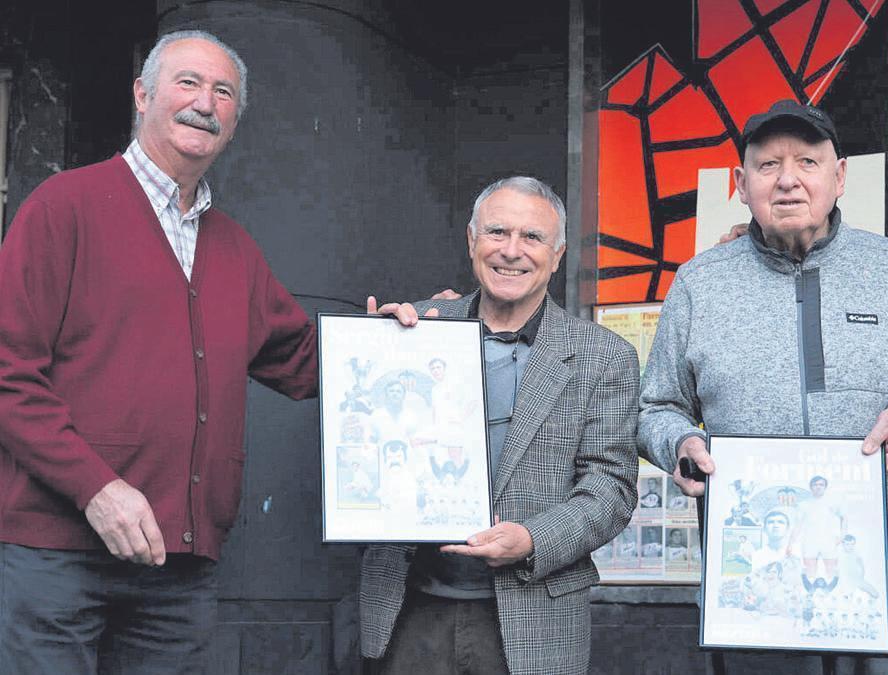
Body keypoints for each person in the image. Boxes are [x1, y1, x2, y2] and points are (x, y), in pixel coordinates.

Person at [0, 30, 318, 673]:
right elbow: (7, 371)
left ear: (235, 120)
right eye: (188, 82)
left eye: (223, 92)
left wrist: (415, 331)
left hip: (178, 573)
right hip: (58, 559)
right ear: (142, 95)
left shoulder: (233, 247)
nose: (205, 101)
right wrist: (95, 489)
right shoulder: (64, 207)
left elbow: (305, 360)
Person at [639, 98, 888, 674]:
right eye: (767, 165)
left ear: (840, 175)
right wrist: (678, 445)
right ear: (740, 182)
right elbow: (657, 407)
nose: (787, 181)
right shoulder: (700, 284)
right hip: (758, 589)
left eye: (807, 161)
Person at [359, 176, 640, 675]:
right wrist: (367, 357)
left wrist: (532, 539)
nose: (512, 251)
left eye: (532, 237)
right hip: (409, 609)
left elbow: (610, 488)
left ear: (556, 256)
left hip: (534, 621)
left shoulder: (604, 357)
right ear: (471, 241)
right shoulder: (415, 329)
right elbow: (363, 438)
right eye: (497, 233)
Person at [794, 476, 847, 581]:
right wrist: (791, 543)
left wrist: (842, 536)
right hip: (809, 541)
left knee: (831, 570)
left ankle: (832, 593)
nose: (818, 487)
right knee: (810, 571)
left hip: (828, 541)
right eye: (815, 485)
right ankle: (811, 593)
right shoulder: (803, 505)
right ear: (811, 487)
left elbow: (844, 518)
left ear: (825, 487)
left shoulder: (833, 503)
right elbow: (798, 525)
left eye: (821, 485)